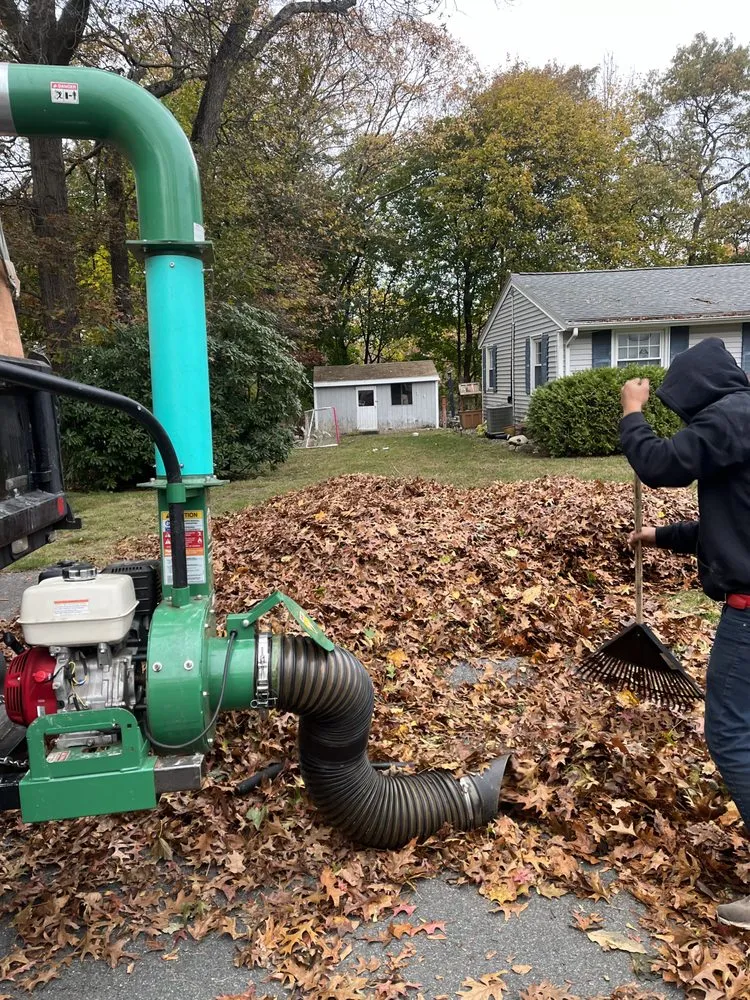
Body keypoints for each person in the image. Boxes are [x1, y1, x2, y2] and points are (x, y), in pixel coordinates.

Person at [619, 336, 750, 929]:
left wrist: (633, 413)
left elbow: (661, 465)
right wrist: (662, 536)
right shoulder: (742, 421)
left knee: (729, 735)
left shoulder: (732, 417)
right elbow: (731, 518)